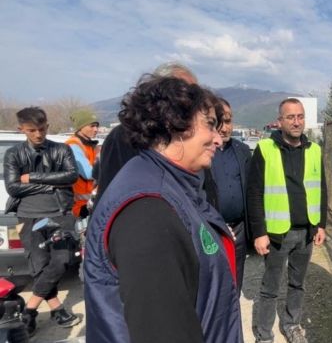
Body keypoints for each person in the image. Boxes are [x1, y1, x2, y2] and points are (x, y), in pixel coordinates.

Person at [84, 76, 242, 343]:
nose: (218, 138)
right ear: (173, 122)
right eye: (210, 125)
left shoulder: (171, 185)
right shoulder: (148, 211)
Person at [248, 98, 327, 343]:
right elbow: (254, 192)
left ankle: (292, 325)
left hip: (305, 232)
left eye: (300, 116)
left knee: (297, 284)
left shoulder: (314, 150)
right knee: (270, 287)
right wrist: (259, 232)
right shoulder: (264, 149)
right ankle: (264, 334)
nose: (296, 121)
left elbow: (321, 189)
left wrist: (321, 224)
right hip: (276, 233)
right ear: (280, 121)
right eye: (290, 117)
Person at [3, 107, 81, 335]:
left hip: (59, 212)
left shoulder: (62, 149)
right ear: (22, 130)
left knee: (63, 260)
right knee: (38, 264)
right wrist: (51, 183)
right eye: (32, 130)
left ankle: (29, 309)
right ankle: (57, 309)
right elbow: (13, 186)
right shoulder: (14, 154)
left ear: (47, 126)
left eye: (42, 128)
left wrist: (33, 178)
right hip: (28, 215)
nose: (38, 134)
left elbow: (71, 176)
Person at [95, 61, 198, 202]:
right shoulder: (123, 136)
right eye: (184, 92)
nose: (193, 101)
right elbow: (112, 192)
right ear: (158, 92)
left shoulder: (191, 137)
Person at [211, 98, 251, 292]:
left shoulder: (242, 151)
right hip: (211, 231)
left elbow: (252, 190)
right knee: (215, 284)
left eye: (229, 121)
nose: (225, 128)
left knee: (236, 282)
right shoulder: (202, 152)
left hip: (239, 229)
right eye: (221, 121)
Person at [65, 109, 99, 218]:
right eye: (92, 126)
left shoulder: (90, 145)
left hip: (92, 202)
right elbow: (89, 173)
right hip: (81, 207)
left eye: (97, 126)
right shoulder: (73, 145)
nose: (96, 129)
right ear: (80, 127)